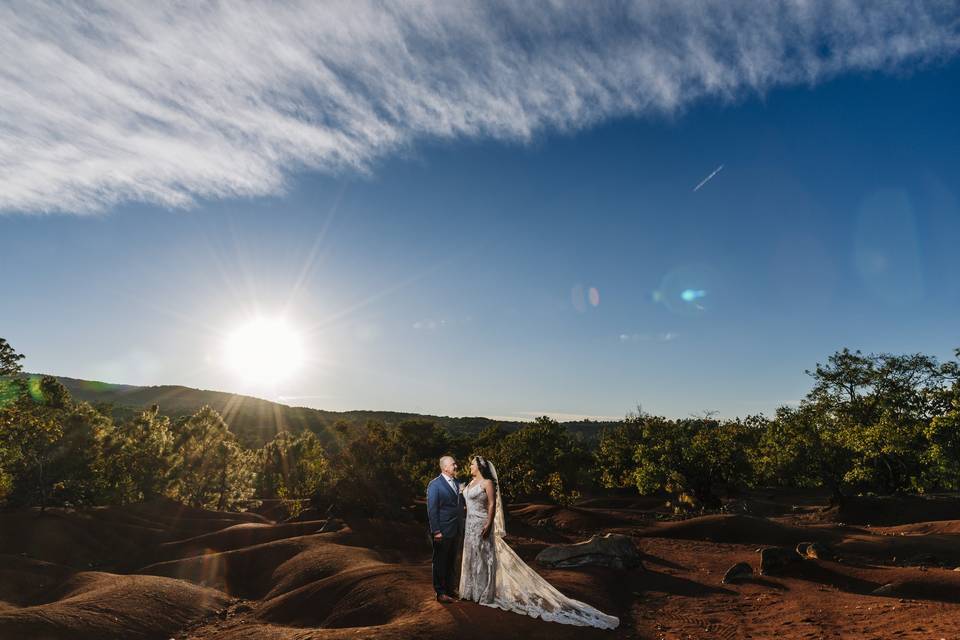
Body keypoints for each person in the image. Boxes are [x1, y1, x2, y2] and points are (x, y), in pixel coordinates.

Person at [458, 455, 619, 629]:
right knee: (471, 556)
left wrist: (489, 524)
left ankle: (483, 593)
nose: (470, 466)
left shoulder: (487, 483)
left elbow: (491, 505)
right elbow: (467, 502)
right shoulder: (469, 484)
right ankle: (470, 591)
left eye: (472, 464)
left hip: (482, 524)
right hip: (470, 525)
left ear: (480, 467)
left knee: (484, 558)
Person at [426, 455, 465, 603]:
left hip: (456, 529)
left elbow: (460, 504)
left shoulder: (457, 482)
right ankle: (440, 592)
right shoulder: (434, 485)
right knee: (440, 561)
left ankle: (450, 589)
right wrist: (436, 531)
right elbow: (432, 509)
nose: (456, 466)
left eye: (455, 464)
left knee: (451, 560)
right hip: (442, 530)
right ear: (445, 467)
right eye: (453, 464)